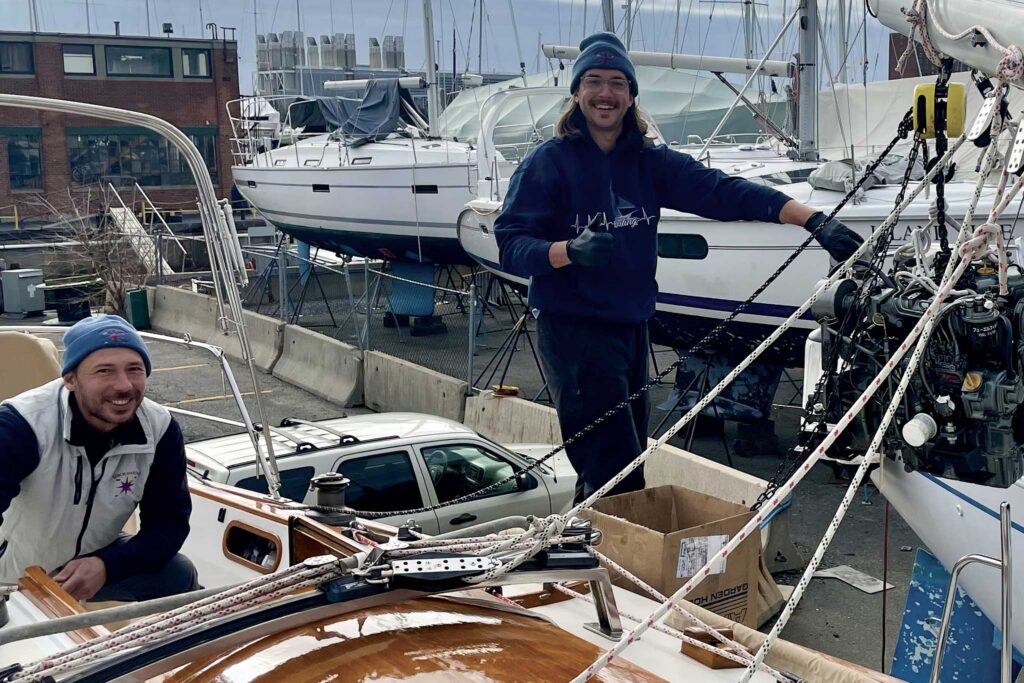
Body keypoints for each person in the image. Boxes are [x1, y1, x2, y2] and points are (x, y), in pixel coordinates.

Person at [494, 32, 863, 504]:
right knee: (613, 469)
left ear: (631, 96)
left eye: (616, 83)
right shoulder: (547, 164)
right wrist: (565, 251)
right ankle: (616, 556)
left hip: (630, 327)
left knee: (625, 460)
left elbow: (723, 191)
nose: (605, 93)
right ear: (576, 93)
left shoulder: (649, 162)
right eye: (593, 81)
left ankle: (594, 551)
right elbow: (510, 244)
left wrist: (810, 219)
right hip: (573, 331)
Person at [0, 315, 198, 601]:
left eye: (135, 369)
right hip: (14, 576)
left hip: (91, 565)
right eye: (104, 371)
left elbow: (168, 527)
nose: (124, 386)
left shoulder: (160, 429)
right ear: (70, 379)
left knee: (179, 574)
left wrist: (106, 566)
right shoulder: (21, 427)